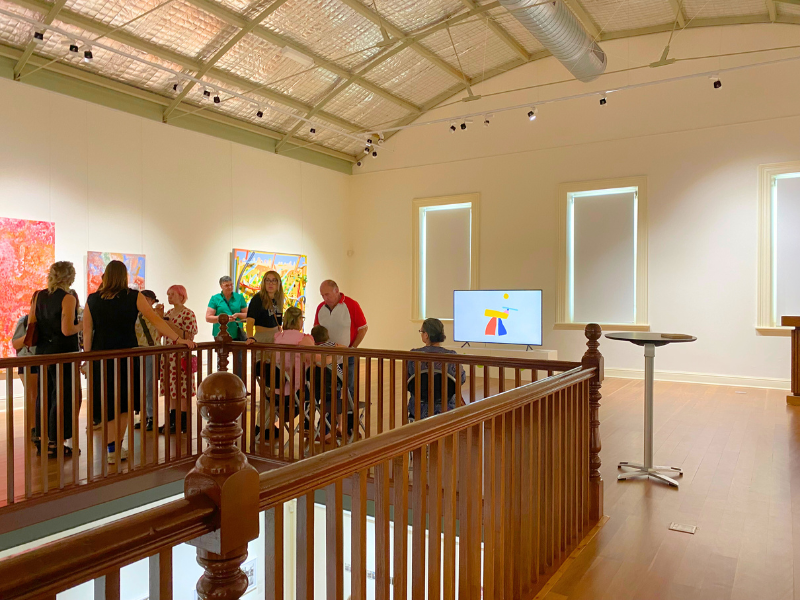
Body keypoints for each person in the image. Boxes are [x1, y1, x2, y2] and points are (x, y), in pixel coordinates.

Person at [84, 261, 193, 464]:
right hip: (127, 356)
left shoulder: (93, 299)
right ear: (124, 276)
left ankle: (111, 449)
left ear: (105, 276)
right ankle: (117, 447)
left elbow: (88, 332)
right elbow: (156, 320)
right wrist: (179, 340)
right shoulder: (134, 297)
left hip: (100, 358)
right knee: (125, 404)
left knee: (108, 403)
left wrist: (87, 360)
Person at [29, 262, 81, 457]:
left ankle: (41, 438)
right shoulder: (68, 298)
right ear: (69, 277)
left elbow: (32, 322)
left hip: (42, 352)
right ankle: (55, 443)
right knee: (61, 397)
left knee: (44, 396)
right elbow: (67, 330)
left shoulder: (38, 296)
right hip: (62, 353)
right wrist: (81, 324)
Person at [314, 280, 367, 400]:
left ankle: (349, 416)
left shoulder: (352, 305)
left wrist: (352, 349)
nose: (325, 298)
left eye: (327, 294)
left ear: (336, 291)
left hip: (347, 356)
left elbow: (363, 328)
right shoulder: (320, 308)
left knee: (349, 388)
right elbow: (316, 329)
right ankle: (329, 415)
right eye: (322, 295)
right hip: (327, 358)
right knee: (328, 389)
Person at [266, 307, 314, 439]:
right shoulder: (303, 339)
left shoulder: (278, 337)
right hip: (296, 392)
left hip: (275, 391)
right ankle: (309, 426)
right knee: (318, 385)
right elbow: (314, 359)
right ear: (299, 320)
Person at [406, 318, 466, 420]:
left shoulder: (414, 355)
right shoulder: (451, 355)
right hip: (446, 409)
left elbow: (408, 381)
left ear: (426, 335)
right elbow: (462, 379)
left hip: (419, 410)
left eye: (421, 331)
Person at [159, 285, 199, 435]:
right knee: (170, 389)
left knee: (182, 389)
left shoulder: (188, 314)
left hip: (180, 357)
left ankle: (183, 422)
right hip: (168, 357)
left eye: (172, 294)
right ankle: (172, 420)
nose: (169, 297)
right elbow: (160, 333)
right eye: (168, 294)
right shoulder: (168, 312)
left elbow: (188, 335)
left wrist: (166, 323)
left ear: (181, 296)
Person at [207, 276, 247, 378]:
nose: (229, 287)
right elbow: (208, 317)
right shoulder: (215, 298)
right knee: (221, 360)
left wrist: (237, 315)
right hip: (220, 334)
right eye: (226, 285)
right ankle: (221, 384)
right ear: (221, 286)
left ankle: (239, 385)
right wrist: (223, 318)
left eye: (231, 284)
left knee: (240, 361)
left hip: (237, 333)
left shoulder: (239, 297)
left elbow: (247, 315)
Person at [134, 290, 161, 432]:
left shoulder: (154, 315)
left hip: (150, 351)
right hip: (137, 350)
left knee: (149, 384)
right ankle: (143, 415)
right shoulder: (136, 314)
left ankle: (151, 416)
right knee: (140, 384)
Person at [245, 271, 284, 344]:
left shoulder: (278, 298)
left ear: (278, 283)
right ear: (264, 283)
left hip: (276, 336)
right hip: (262, 336)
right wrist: (250, 337)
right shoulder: (258, 298)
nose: (270, 283)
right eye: (268, 280)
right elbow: (250, 320)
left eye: (274, 280)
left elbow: (279, 320)